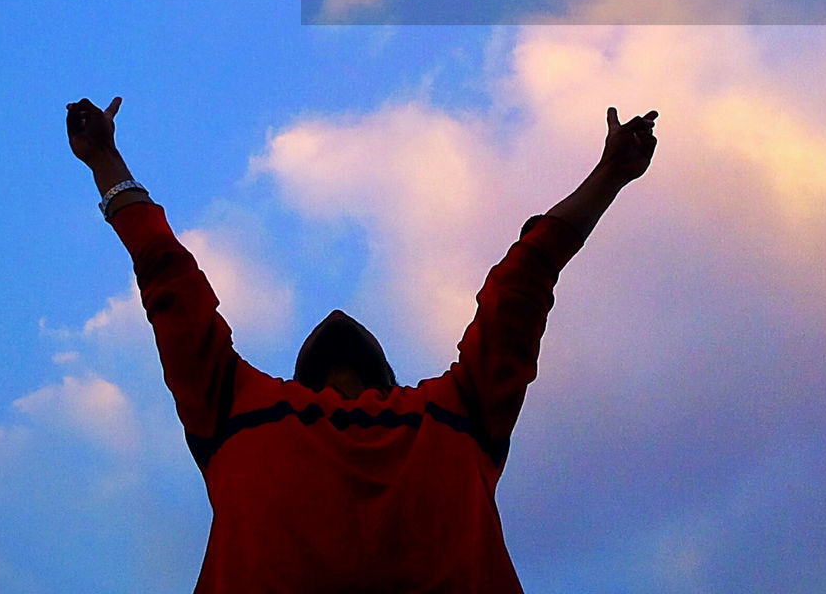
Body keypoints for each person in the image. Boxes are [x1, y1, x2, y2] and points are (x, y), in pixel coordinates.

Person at [66, 95, 659, 594]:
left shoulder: (239, 409)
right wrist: (609, 176)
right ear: (388, 377)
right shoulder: (455, 413)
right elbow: (525, 281)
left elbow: (169, 280)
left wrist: (106, 163)